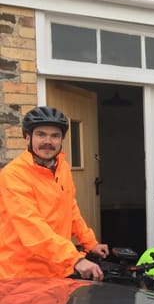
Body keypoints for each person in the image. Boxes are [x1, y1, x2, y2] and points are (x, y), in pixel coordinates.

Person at [0, 107, 107, 280]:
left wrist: (90, 242)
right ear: (27, 137)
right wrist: (75, 259)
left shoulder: (62, 168)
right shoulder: (13, 175)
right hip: (22, 275)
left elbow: (70, 210)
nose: (48, 141)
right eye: (41, 134)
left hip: (56, 269)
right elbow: (31, 227)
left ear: (61, 140)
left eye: (55, 136)